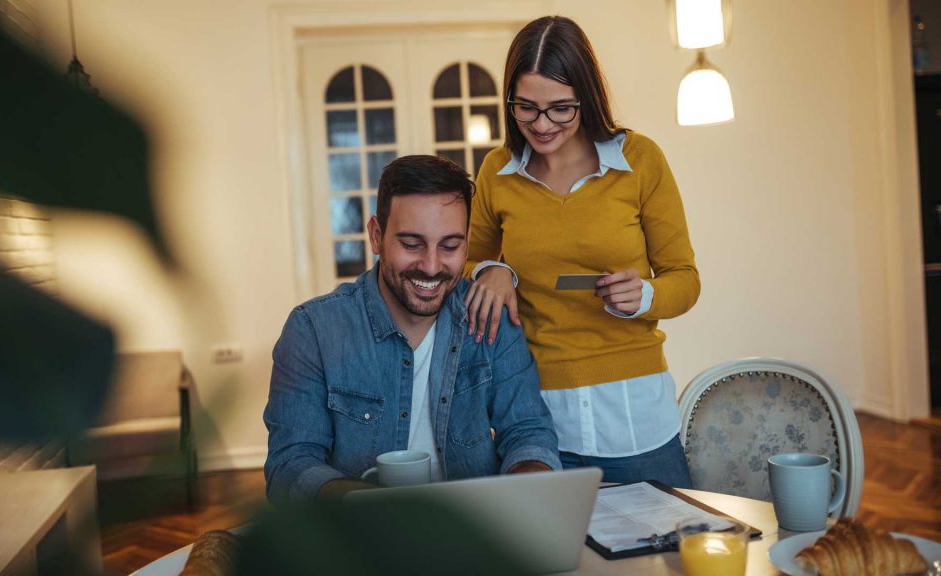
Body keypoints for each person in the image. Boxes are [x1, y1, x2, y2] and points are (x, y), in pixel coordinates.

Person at [464, 16, 700, 487]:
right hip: (540, 415)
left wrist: (645, 295)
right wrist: (492, 270)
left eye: (560, 109)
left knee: (666, 554)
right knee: (556, 558)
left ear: (587, 98)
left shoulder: (641, 161)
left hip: (636, 413)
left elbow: (685, 279)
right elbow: (465, 263)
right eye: (525, 107)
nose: (542, 124)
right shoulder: (497, 171)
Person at [264, 155, 560, 502]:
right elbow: (290, 465)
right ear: (376, 236)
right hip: (360, 538)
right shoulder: (313, 330)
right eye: (411, 244)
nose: (432, 266)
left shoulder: (490, 315)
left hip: (479, 536)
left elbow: (528, 431)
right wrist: (371, 507)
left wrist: (529, 490)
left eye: (450, 246)